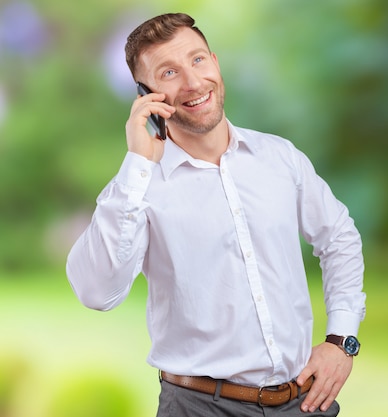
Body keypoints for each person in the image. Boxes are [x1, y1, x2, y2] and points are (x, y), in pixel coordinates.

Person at [66, 12, 366, 417]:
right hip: (198, 408)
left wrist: (341, 340)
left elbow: (339, 237)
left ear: (215, 63)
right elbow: (96, 292)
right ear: (145, 95)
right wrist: (138, 162)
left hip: (305, 403)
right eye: (169, 72)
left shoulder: (280, 158)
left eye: (197, 60)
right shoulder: (138, 187)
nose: (192, 82)